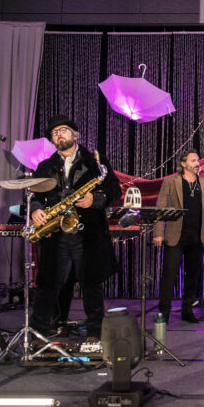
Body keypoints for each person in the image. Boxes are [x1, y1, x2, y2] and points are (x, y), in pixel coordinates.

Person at [30, 114, 121, 343]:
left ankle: (94, 333)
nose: (59, 134)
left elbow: (115, 191)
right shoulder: (44, 166)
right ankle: (40, 332)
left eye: (63, 130)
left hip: (87, 233)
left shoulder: (95, 162)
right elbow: (36, 196)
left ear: (75, 134)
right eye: (54, 132)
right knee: (48, 284)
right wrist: (36, 209)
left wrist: (96, 199)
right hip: (55, 233)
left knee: (91, 284)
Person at [153, 149, 204, 324]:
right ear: (183, 164)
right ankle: (164, 312)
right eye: (193, 161)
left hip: (196, 237)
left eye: (197, 160)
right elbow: (160, 208)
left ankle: (187, 309)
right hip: (175, 236)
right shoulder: (171, 182)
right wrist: (158, 233)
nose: (197, 163)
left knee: (193, 276)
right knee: (169, 274)